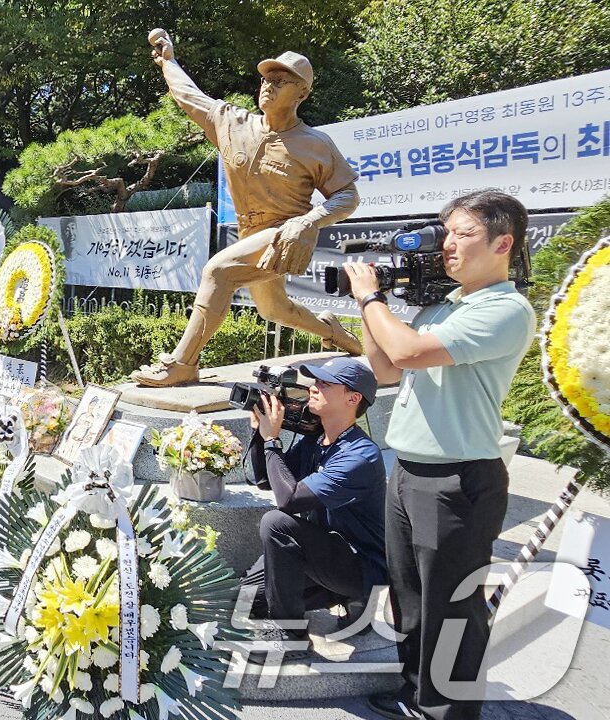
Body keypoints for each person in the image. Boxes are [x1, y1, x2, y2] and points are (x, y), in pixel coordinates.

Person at [344, 190, 535, 720]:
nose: (448, 244)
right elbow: (386, 368)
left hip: (458, 480)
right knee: (410, 599)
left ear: (503, 243)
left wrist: (369, 299)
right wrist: (373, 308)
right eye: (446, 232)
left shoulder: (506, 309)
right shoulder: (443, 306)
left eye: (463, 233)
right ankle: (415, 693)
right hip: (407, 471)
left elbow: (408, 351)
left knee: (453, 608)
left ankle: (448, 711)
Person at [131, 29, 362, 388]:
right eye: (267, 78)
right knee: (274, 309)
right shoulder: (231, 122)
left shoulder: (316, 144)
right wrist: (169, 61)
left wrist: (310, 222)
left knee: (218, 272)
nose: (269, 85)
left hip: (284, 234)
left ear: (302, 92)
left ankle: (183, 364)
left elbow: (348, 195)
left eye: (282, 80)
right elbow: (189, 95)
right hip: (250, 232)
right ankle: (330, 329)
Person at [242, 358, 386, 663]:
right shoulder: (316, 441)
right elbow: (268, 479)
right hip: (324, 554)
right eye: (315, 382)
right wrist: (260, 432)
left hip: (359, 565)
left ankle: (292, 638)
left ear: (353, 398)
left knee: (276, 523)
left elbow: (289, 500)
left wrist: (272, 440)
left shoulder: (360, 455)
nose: (313, 388)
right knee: (246, 597)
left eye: (324, 383)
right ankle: (345, 599)